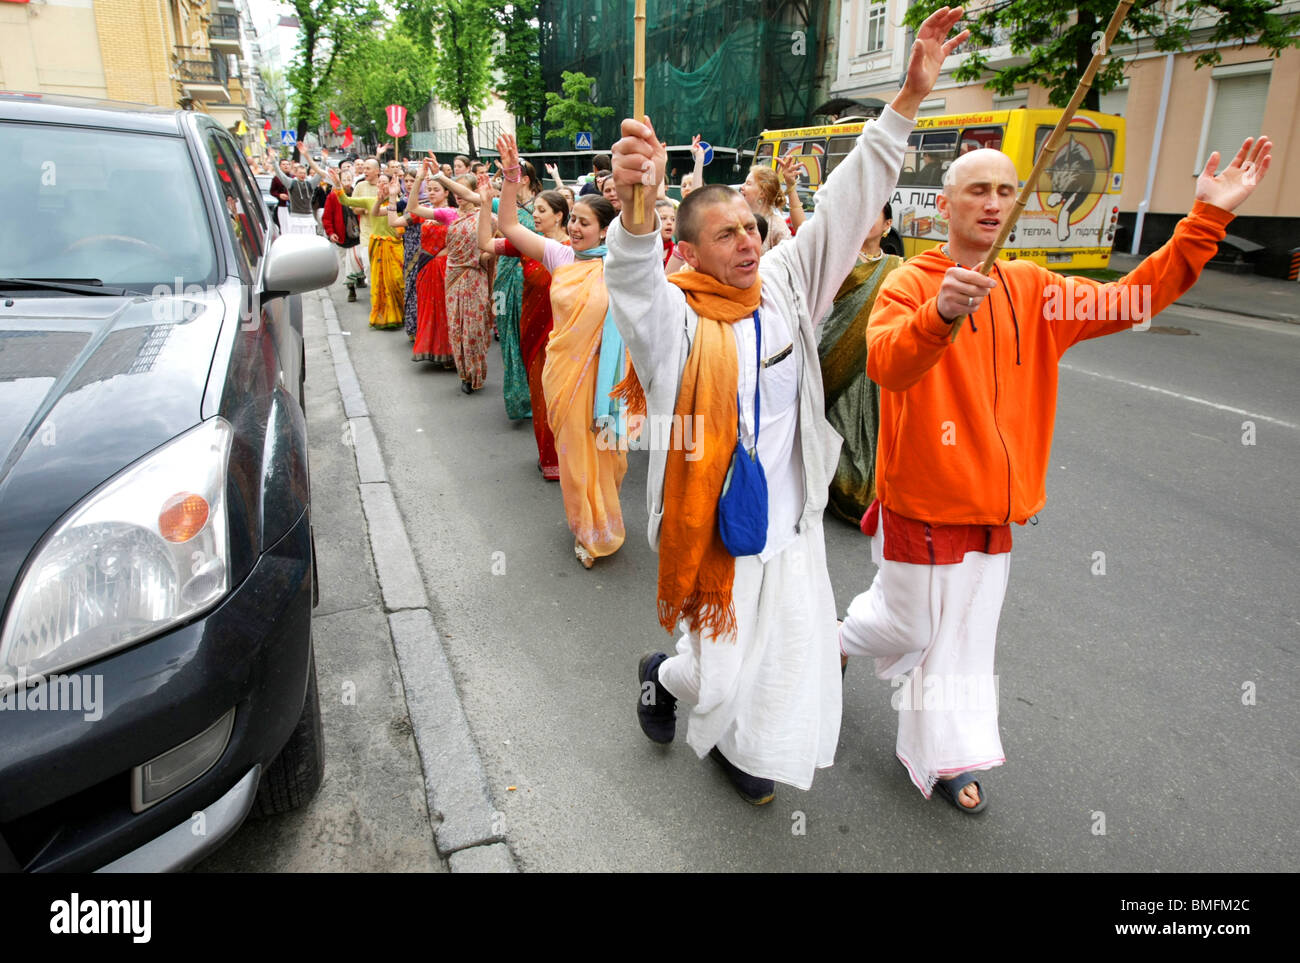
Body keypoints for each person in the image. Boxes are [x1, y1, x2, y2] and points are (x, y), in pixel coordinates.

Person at [838, 134, 1272, 814]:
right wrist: (942, 313)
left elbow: (1131, 301)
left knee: (961, 642)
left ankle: (946, 755)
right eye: (977, 190)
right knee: (911, 627)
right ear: (943, 206)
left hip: (993, 508)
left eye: (1006, 190)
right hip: (920, 502)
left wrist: (1206, 219)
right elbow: (889, 365)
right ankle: (839, 639)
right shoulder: (910, 283)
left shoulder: (1035, 288)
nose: (993, 202)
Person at [604, 6, 968, 804]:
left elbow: (845, 202)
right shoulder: (674, 317)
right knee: (713, 668)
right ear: (691, 250)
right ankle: (661, 674)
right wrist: (636, 211)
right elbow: (630, 282)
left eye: (751, 226)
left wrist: (906, 99)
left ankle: (746, 751)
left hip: (790, 525)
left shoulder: (788, 284)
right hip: (713, 539)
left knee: (782, 664)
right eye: (726, 232)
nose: (745, 239)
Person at [492, 134, 626, 566]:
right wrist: (511, 178)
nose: (575, 228)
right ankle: (587, 530)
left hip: (608, 382)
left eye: (585, 223)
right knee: (574, 456)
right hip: (565, 377)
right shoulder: (560, 257)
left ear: (606, 230)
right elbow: (510, 227)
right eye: (574, 221)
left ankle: (604, 516)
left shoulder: (624, 266)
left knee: (608, 456)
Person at [479, 179, 572, 480]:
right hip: (532, 331)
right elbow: (485, 244)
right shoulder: (529, 244)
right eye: (537, 210)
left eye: (543, 210)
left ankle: (573, 457)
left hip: (566, 336)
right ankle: (550, 458)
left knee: (566, 398)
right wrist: (483, 203)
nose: (537, 215)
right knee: (542, 395)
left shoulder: (576, 250)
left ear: (559, 215)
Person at [817, 203, 901, 524]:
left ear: (887, 225)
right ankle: (834, 485)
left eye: (874, 216)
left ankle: (871, 489)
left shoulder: (897, 266)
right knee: (838, 426)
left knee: (871, 432)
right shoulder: (840, 259)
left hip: (875, 364)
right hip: (836, 355)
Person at [490, 158, 543, 421]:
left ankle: (535, 393)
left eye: (511, 177)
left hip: (528, 277)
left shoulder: (542, 206)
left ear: (524, 180)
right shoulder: (503, 205)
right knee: (505, 330)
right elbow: (472, 196)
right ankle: (516, 395)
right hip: (502, 278)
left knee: (527, 334)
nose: (502, 182)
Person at [330, 167, 405, 329]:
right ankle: (383, 316)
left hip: (396, 247)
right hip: (377, 245)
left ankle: (401, 313)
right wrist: (337, 184)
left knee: (397, 281)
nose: (383, 186)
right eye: (380, 184)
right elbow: (346, 201)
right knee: (377, 281)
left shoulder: (400, 203)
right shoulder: (371, 201)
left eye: (386, 183)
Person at [443, 173, 493, 393]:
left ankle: (476, 372)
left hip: (475, 276)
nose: (458, 195)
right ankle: (463, 374)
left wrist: (485, 256)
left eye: (462, 190)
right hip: (453, 276)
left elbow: (499, 239)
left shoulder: (486, 216)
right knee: (456, 327)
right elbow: (414, 209)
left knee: (473, 329)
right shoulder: (450, 216)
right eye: (455, 190)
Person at [740, 163, 790, 253]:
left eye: (748, 183)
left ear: (762, 193)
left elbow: (788, 259)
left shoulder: (778, 227)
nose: (742, 187)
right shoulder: (738, 219)